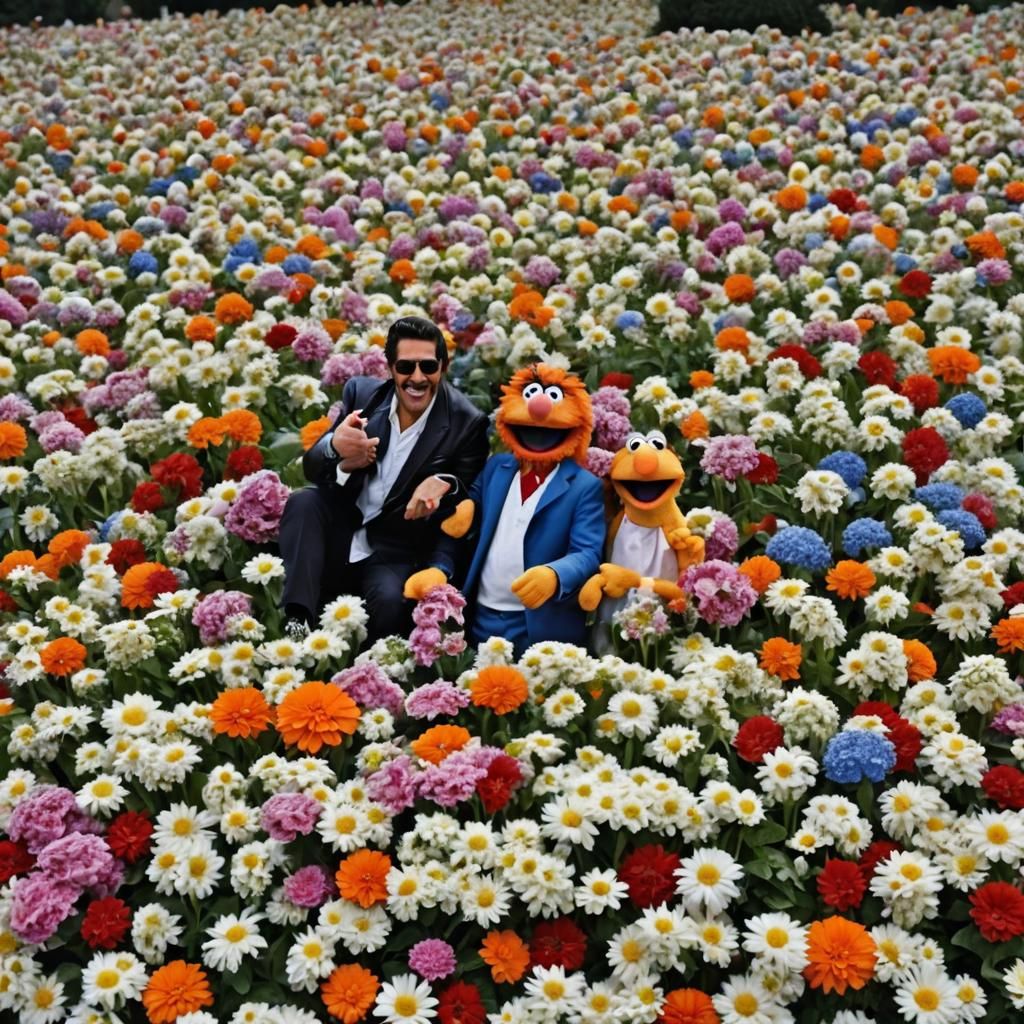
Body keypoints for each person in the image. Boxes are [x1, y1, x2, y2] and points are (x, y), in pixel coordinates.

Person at [279, 316, 489, 641]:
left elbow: (470, 490)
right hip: (342, 526)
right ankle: (296, 621)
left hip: (397, 547)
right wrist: (337, 451)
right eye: (405, 367)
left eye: (428, 367)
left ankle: (376, 673)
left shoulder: (467, 423)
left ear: (443, 367)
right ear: (390, 367)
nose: (417, 378)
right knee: (304, 501)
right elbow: (313, 467)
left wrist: (445, 481)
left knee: (390, 601)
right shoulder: (362, 395)